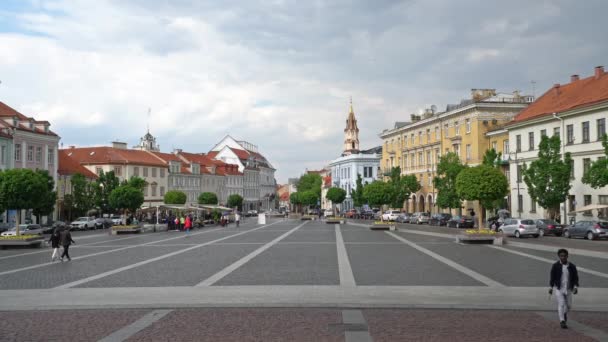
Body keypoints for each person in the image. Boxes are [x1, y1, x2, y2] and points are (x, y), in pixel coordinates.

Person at [549, 248, 579, 329]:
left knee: (569, 306)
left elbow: (576, 278)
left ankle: (564, 313)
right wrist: (551, 287)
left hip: (569, 289)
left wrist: (575, 287)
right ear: (559, 256)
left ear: (567, 256)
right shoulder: (555, 266)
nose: (563, 257)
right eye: (561, 256)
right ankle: (562, 321)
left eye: (564, 256)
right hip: (559, 289)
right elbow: (552, 277)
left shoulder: (572, 266)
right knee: (561, 304)